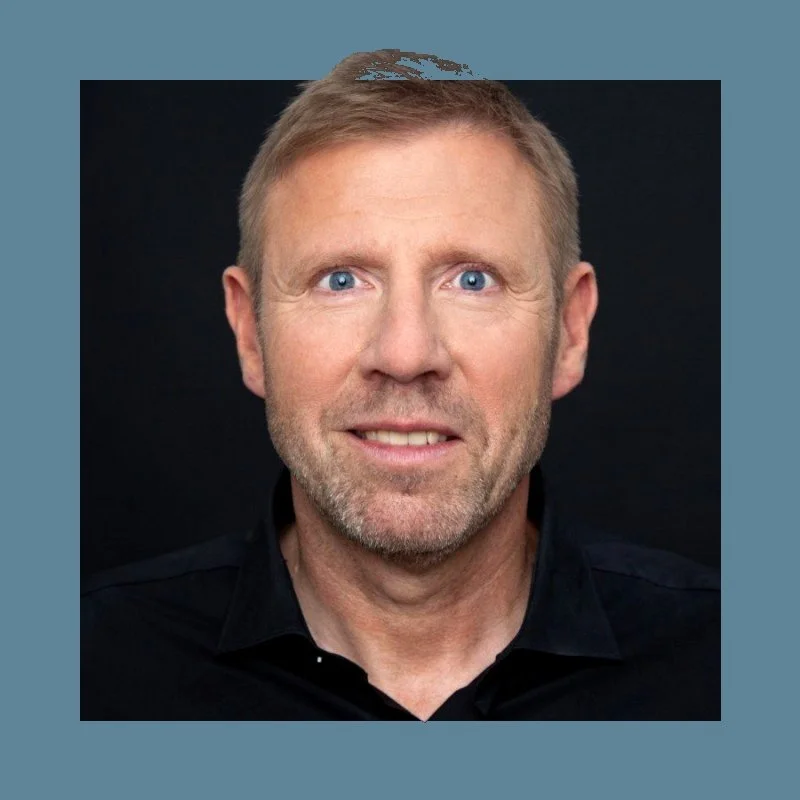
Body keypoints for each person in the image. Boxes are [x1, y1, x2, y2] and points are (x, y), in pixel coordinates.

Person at [81, 51, 720, 721]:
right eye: (341, 280)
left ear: (569, 331)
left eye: (473, 280)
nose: (407, 353)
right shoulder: (83, 674)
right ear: (250, 334)